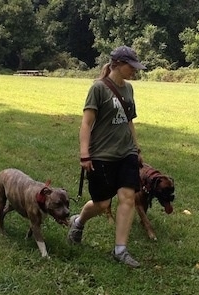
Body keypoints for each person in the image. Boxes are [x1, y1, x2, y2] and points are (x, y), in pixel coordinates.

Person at [67, 45, 146, 268]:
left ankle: (120, 250)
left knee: (128, 198)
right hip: (102, 154)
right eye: (131, 67)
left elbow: (129, 120)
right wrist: (84, 154)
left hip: (126, 153)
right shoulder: (98, 89)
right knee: (102, 204)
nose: (134, 71)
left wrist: (137, 149)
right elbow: (86, 123)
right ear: (118, 65)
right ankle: (79, 221)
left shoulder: (129, 89)